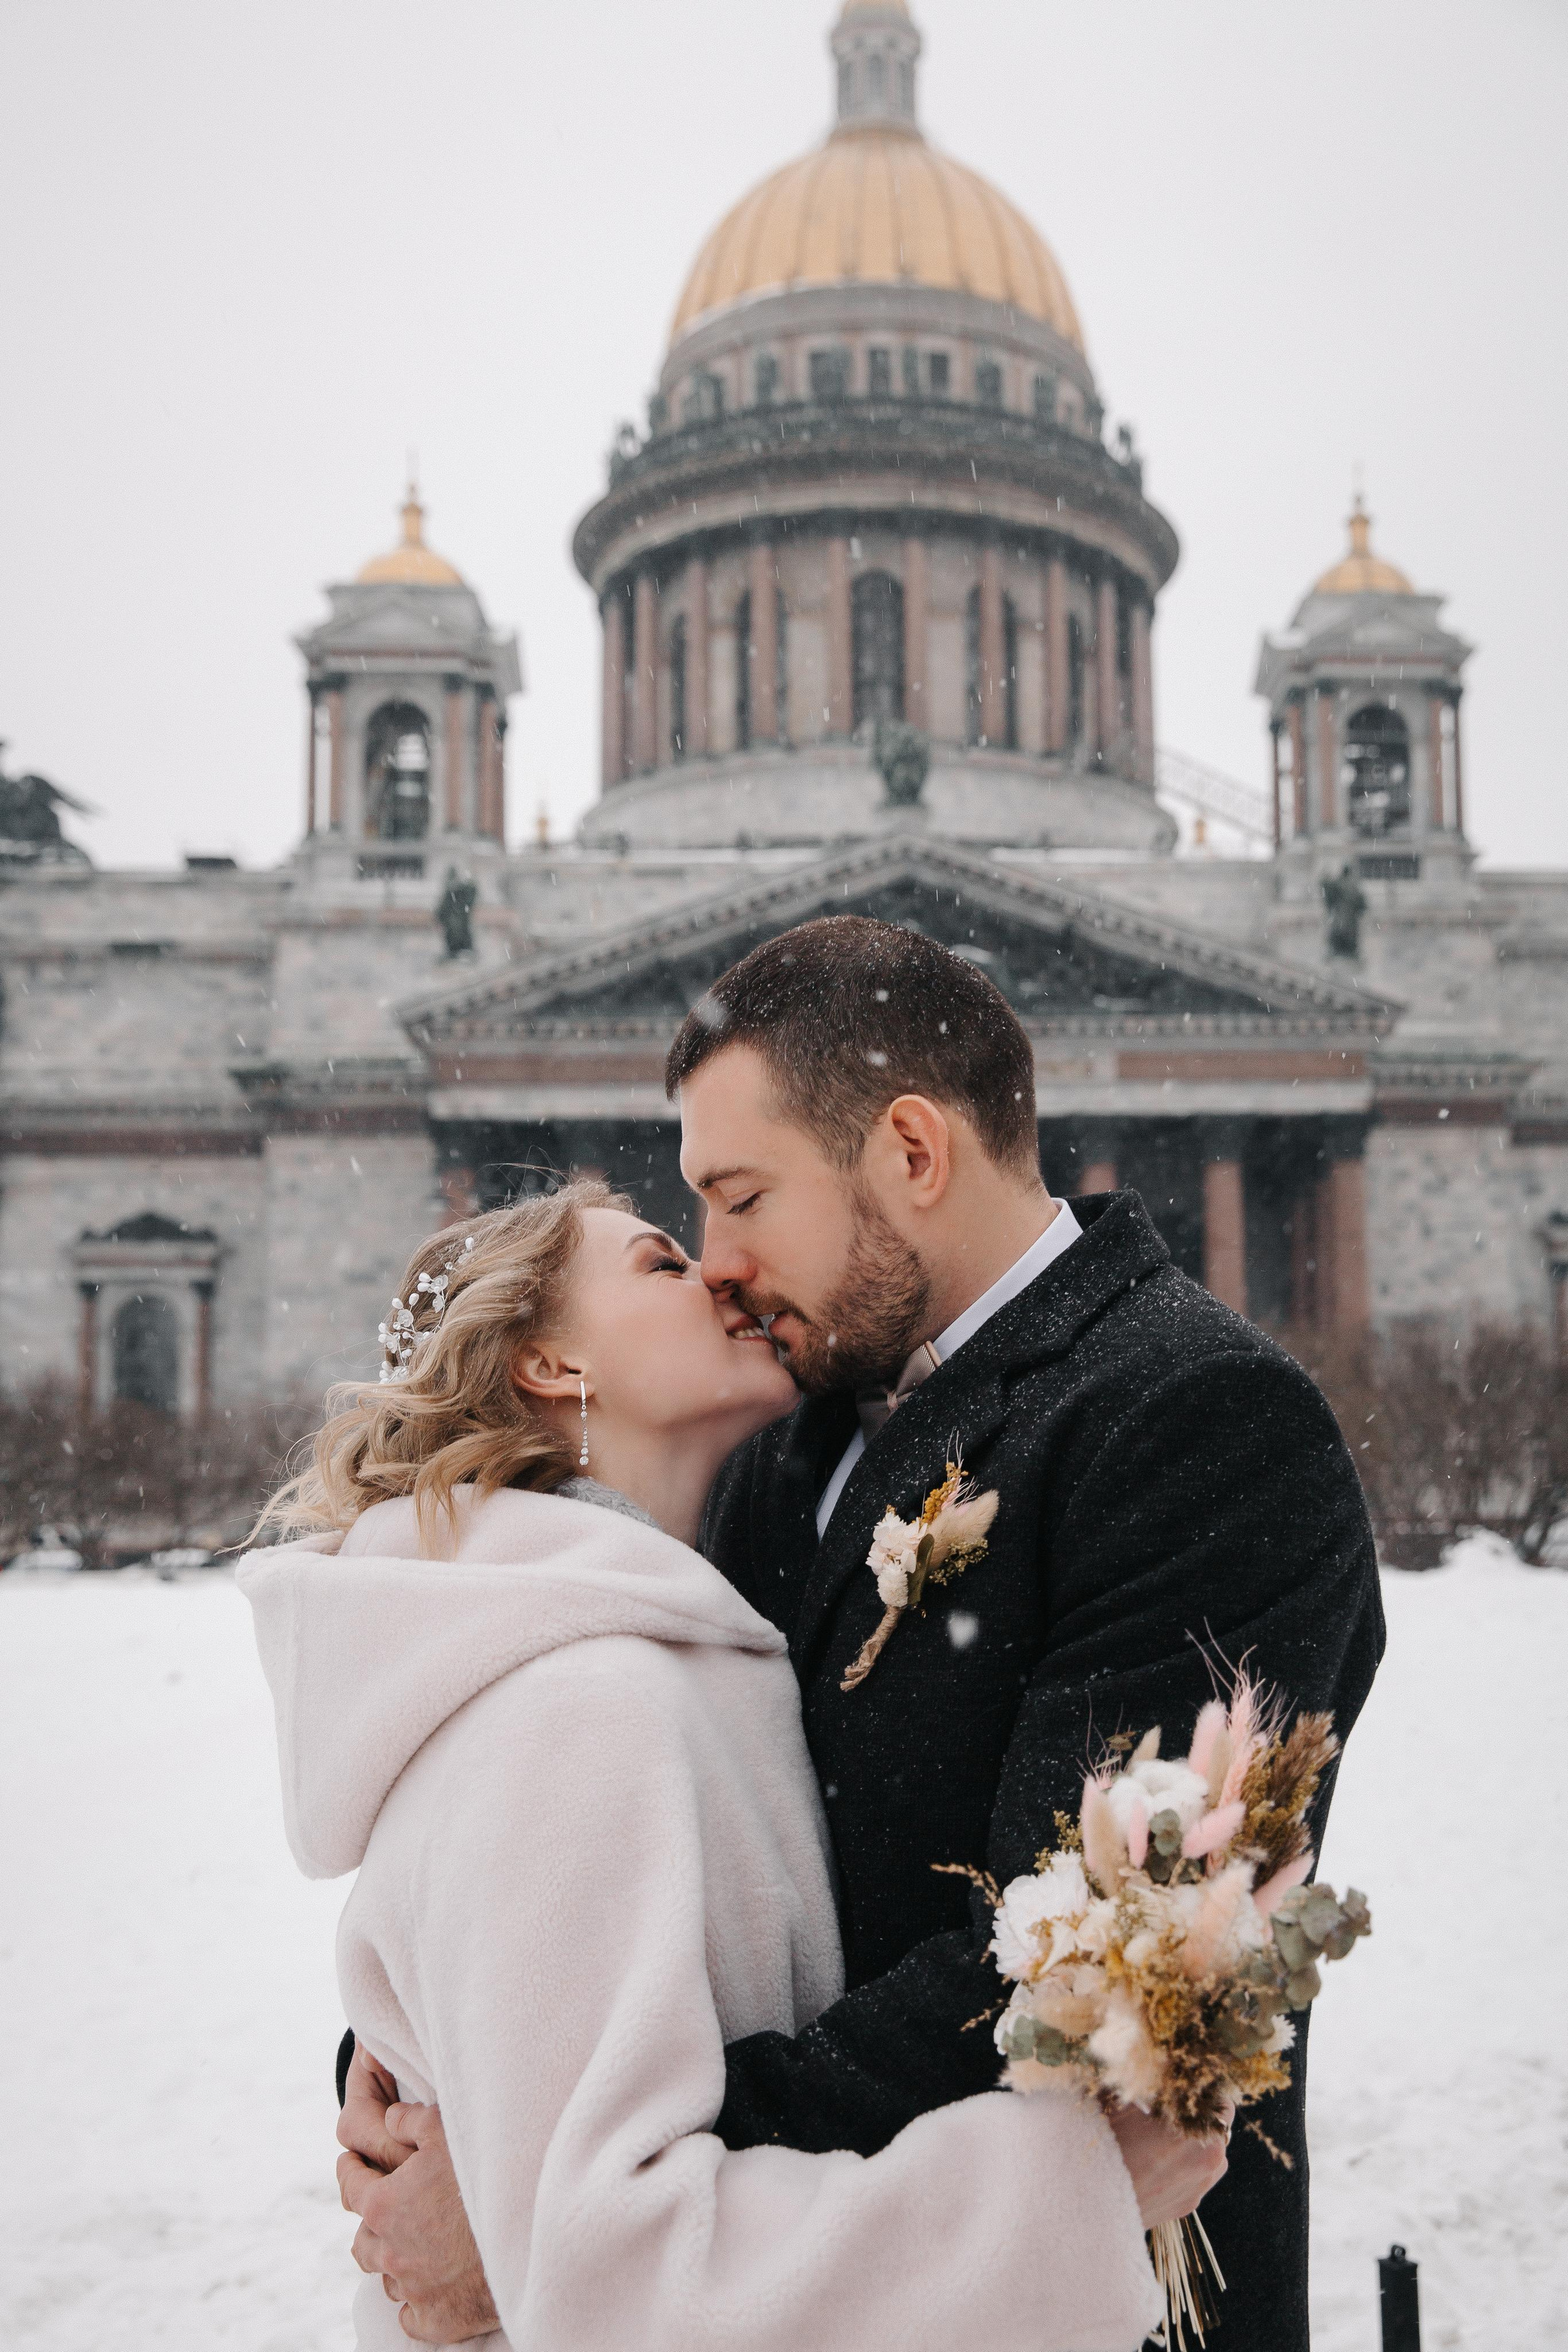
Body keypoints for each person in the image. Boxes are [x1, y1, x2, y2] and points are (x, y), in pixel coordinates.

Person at [336, 915, 1384, 2349]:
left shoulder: (1194, 1418)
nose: (716, 1263)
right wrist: (431, 2064)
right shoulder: (776, 1440)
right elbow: (585, 1852)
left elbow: (1057, 1964)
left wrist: (538, 2188)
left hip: (1078, 2298)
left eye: (740, 1195)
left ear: (908, 1151)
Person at [242, 1175, 1221, 2351]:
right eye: (659, 1262)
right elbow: (623, 2275)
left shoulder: (623, 1640)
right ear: (550, 1365)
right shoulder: (580, 1699)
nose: (717, 1271)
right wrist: (1070, 2196)